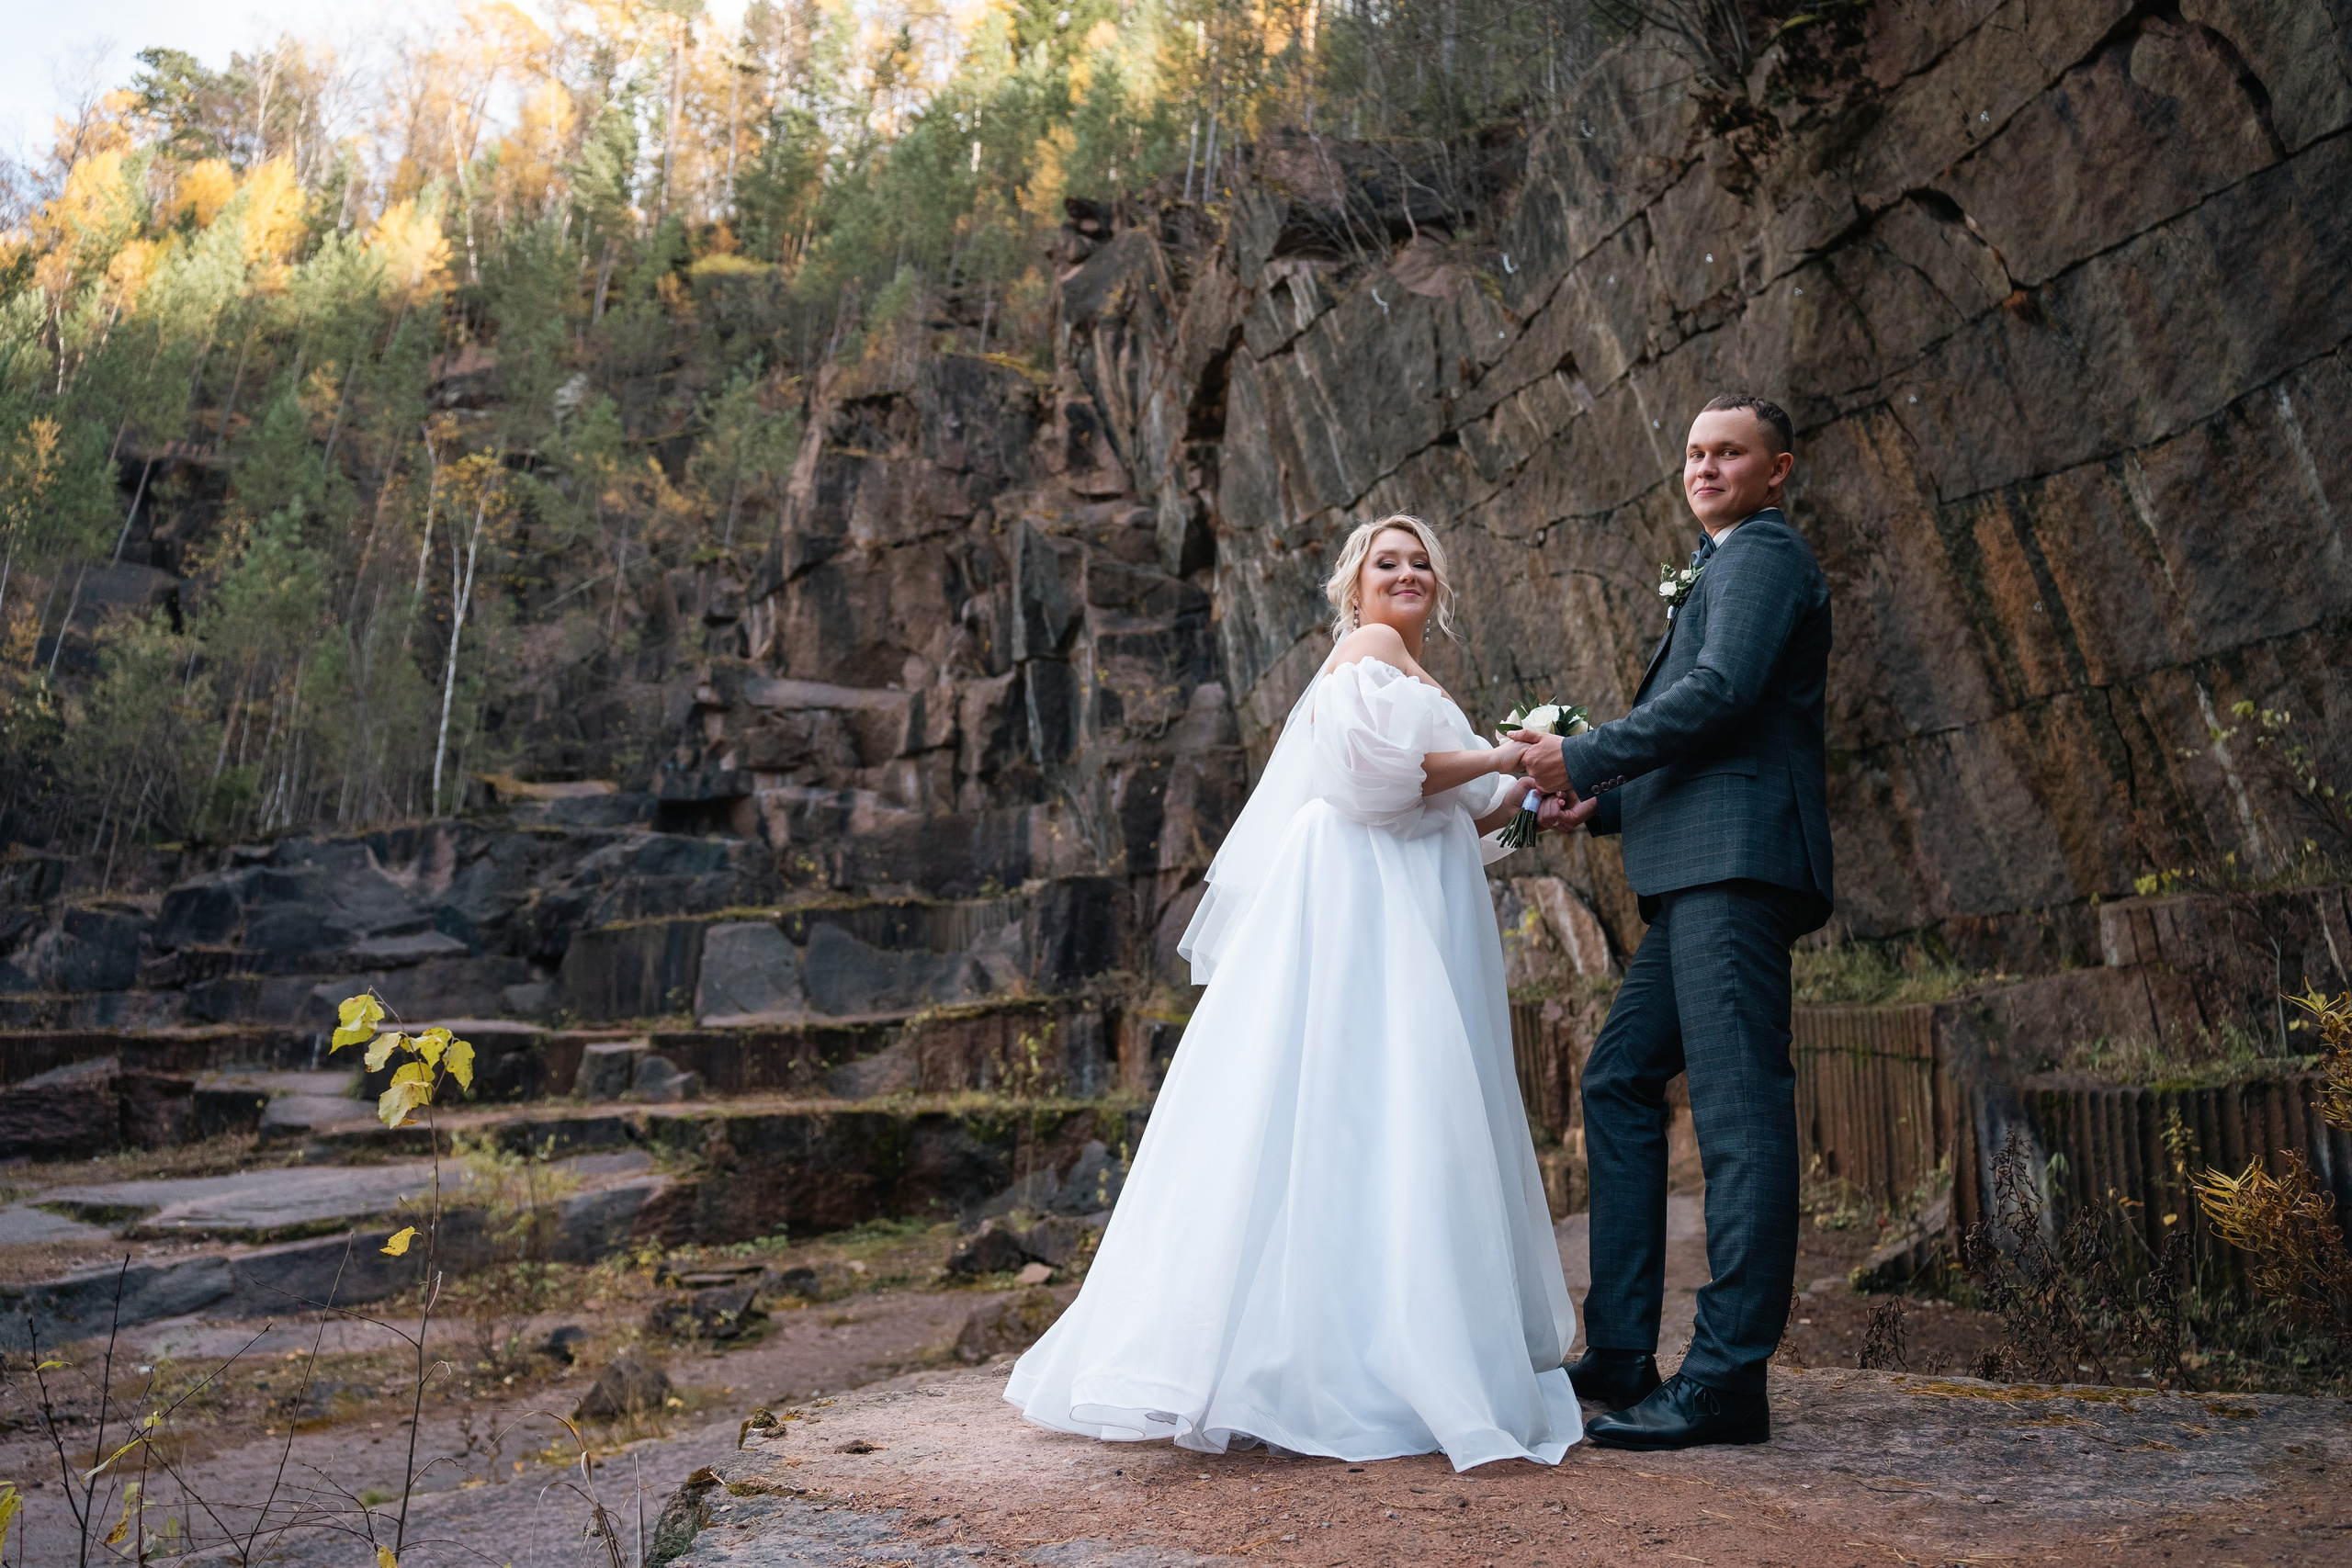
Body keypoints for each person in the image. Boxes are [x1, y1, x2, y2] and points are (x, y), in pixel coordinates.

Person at [1005, 513, 1584, 1469]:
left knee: (1397, 1111)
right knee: (1364, 1097)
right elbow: (1369, 782)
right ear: (1353, 588)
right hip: (1361, 904)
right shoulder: (1365, 651)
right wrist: (1502, 756)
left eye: (1420, 563)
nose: (1406, 574)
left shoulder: (1419, 674)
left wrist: (1539, 797)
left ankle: (1383, 1327)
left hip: (1420, 900)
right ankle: (1336, 1354)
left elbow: (1479, 825)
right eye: (1385, 562)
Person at [1514, 392, 1834, 1451]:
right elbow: (1705, 731)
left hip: (1736, 870)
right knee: (1615, 1078)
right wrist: (1599, 802)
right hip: (1699, 862)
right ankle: (1618, 1349)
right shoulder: (1718, 560)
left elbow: (1721, 693)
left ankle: (1726, 1378)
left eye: (1728, 452)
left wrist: (1588, 752)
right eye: (1693, 451)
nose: (1703, 467)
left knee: (1740, 1117)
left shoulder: (1764, 557)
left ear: (1776, 468)